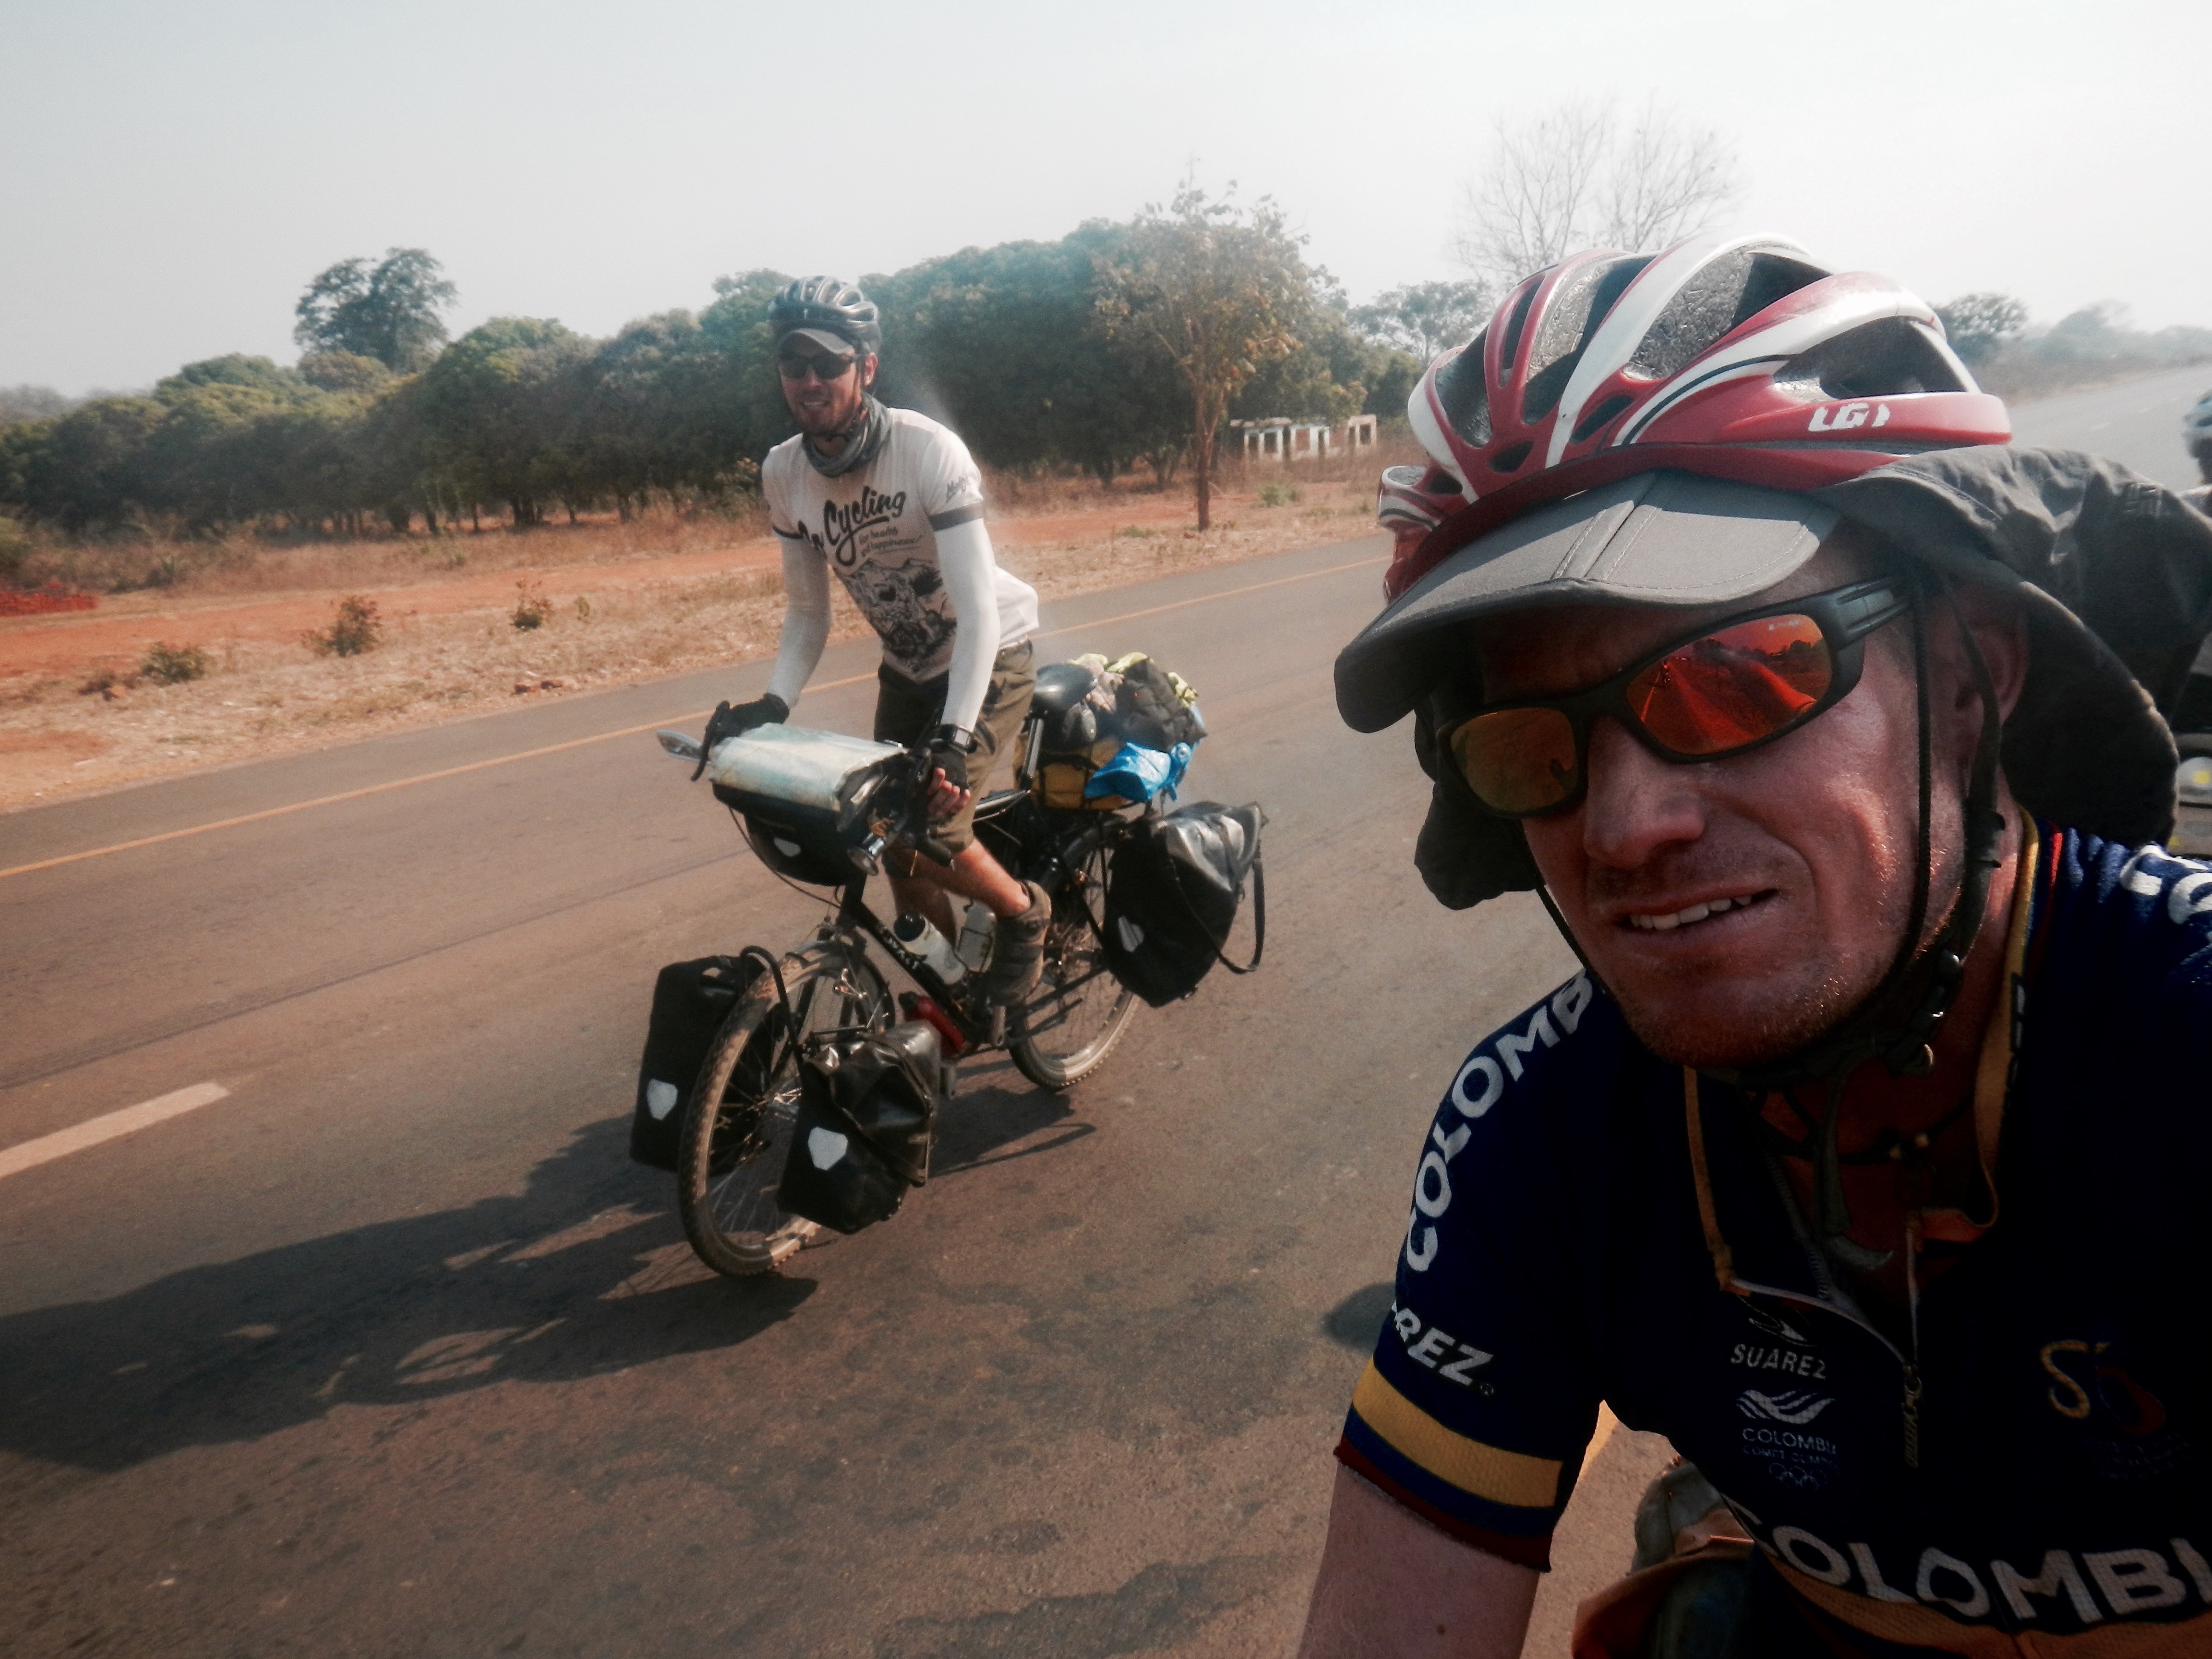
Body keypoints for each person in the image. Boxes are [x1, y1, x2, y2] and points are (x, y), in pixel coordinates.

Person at [1297, 231, 2212, 1658]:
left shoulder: (2181, 1027)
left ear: (1974, 674)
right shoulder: (1543, 1134)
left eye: (1737, 677)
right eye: (1531, 742)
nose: (1625, 827)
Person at [700, 276, 1050, 1004]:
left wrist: (954, 737)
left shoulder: (927, 451)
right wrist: (772, 705)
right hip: (909, 668)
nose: (810, 381)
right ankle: (953, 993)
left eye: (828, 364)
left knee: (927, 831)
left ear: (867, 367)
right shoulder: (784, 472)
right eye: (794, 365)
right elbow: (808, 612)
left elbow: (978, 609)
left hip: (989, 656)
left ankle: (1024, 914)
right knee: (886, 844)